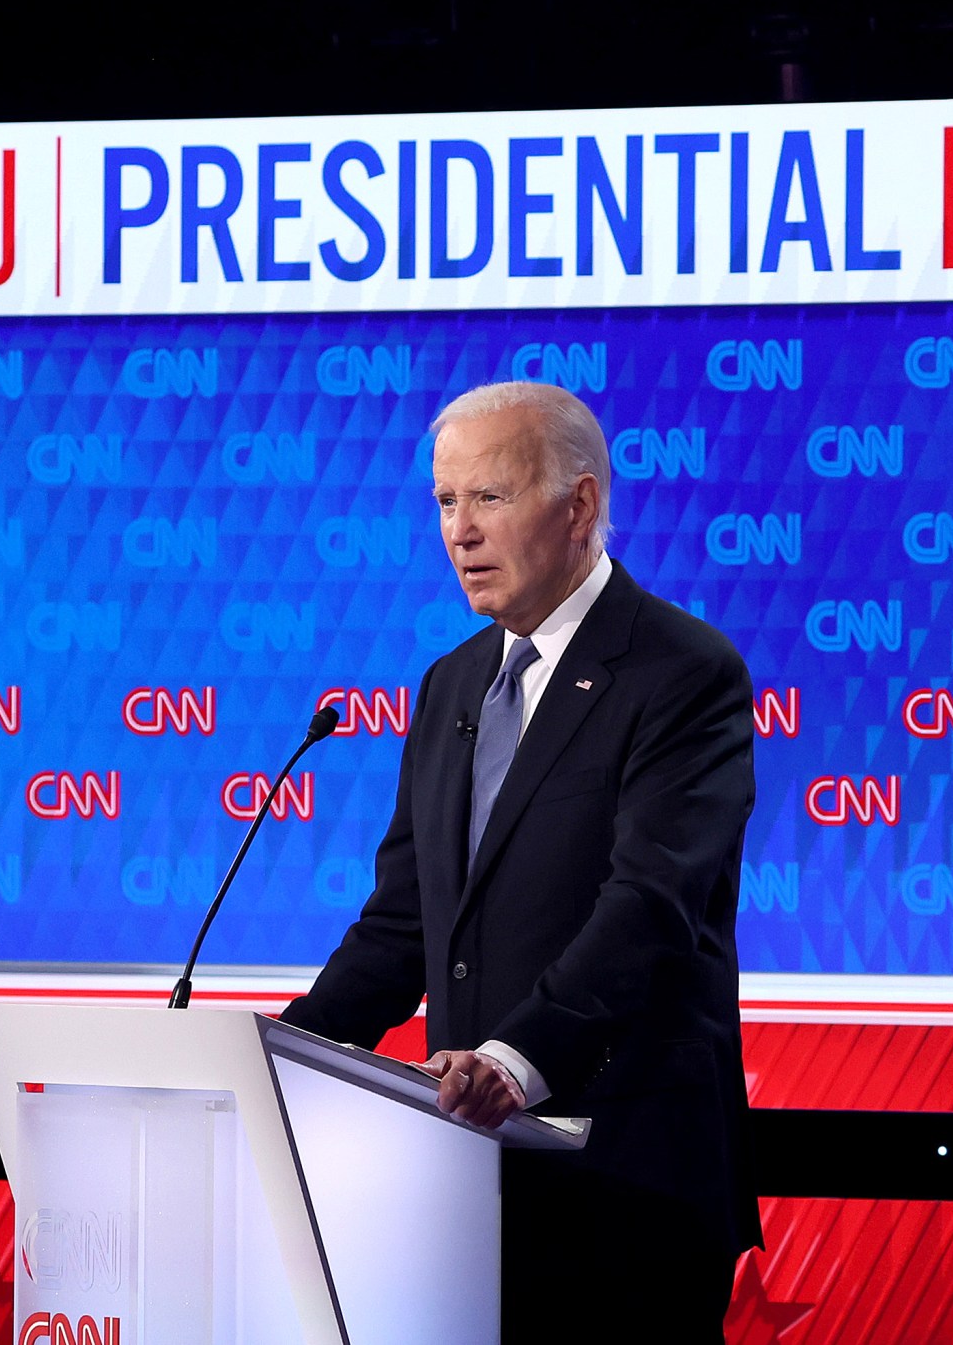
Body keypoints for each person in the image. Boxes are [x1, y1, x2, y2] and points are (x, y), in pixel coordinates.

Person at [279, 380, 760, 1340]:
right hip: (469, 1184)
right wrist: (285, 1053)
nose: (460, 531)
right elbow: (405, 921)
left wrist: (513, 1058)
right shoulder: (454, 681)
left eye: (489, 497)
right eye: (445, 503)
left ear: (578, 504)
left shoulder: (682, 671)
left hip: (626, 1184)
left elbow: (651, 905)